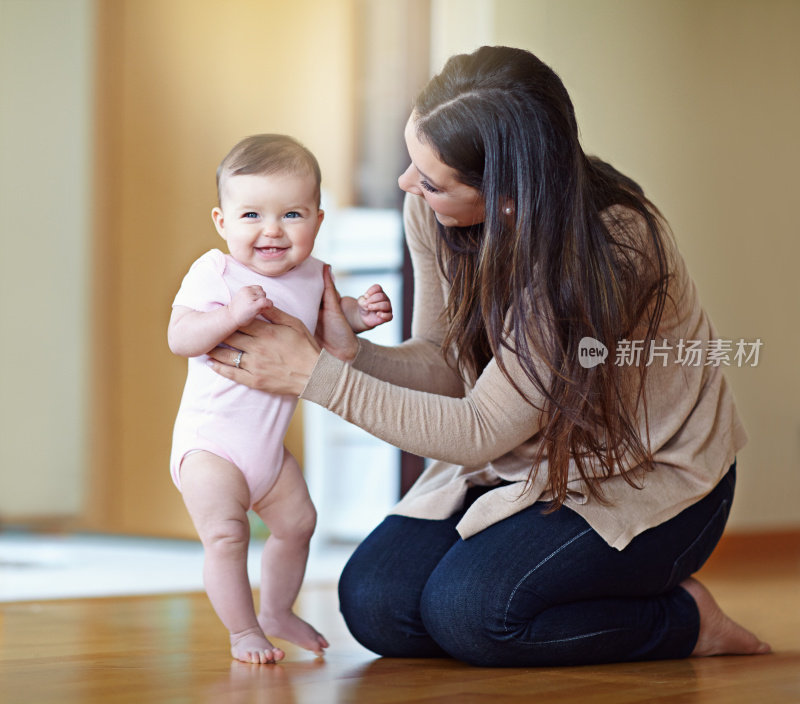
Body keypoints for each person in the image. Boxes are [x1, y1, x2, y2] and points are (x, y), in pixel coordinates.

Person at [205, 48, 771, 666]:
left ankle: (686, 624)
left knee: (475, 617)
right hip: (514, 464)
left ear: (504, 199)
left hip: (645, 475)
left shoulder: (606, 253)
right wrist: (347, 352)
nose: (407, 187)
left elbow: (478, 429)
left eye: (430, 180)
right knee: (376, 606)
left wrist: (314, 377)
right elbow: (445, 366)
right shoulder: (433, 214)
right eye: (411, 162)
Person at [168, 134, 392, 665]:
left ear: (317, 220)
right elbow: (180, 337)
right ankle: (244, 631)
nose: (271, 230)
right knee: (227, 534)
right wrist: (229, 315)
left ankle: (277, 610)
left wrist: (361, 314)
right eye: (252, 215)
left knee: (299, 524)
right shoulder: (216, 272)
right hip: (210, 446)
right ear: (223, 223)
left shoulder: (315, 276)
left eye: (292, 214)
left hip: (267, 453)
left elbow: (333, 336)